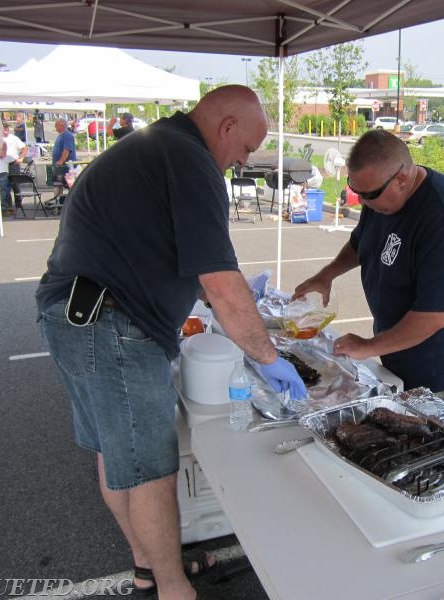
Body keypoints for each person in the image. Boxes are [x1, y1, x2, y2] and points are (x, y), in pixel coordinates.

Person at [35, 85, 306, 600]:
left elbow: (199, 273)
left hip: (74, 314)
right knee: (151, 468)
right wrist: (268, 358)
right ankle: (173, 588)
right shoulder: (191, 162)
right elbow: (221, 284)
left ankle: (147, 566)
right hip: (109, 324)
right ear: (226, 128)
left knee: (117, 453)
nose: (242, 161)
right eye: (246, 149)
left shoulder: (158, 145)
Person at [294, 129, 444, 413]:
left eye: (369, 194)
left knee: (441, 453)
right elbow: (361, 243)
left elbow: (434, 317)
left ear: (401, 178)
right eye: (356, 191)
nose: (363, 202)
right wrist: (325, 275)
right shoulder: (379, 197)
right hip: (400, 357)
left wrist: (368, 346)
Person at [3, 122, 28, 209]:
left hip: (14, 163)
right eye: (4, 129)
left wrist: (21, 158)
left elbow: (24, 147)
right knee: (5, 186)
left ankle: (18, 202)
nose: (6, 130)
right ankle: (8, 204)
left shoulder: (13, 138)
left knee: (15, 184)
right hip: (3, 164)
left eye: (7, 129)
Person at [51, 117, 76, 200]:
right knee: (58, 184)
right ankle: (57, 200)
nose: (55, 127)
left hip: (67, 167)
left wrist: (60, 161)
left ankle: (72, 201)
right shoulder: (61, 135)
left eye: (56, 125)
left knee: (70, 185)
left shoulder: (67, 135)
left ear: (61, 125)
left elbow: (67, 150)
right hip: (60, 167)